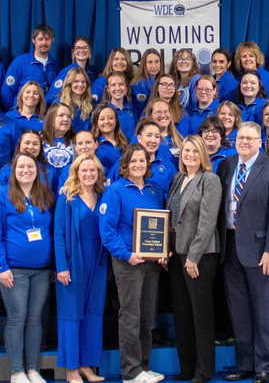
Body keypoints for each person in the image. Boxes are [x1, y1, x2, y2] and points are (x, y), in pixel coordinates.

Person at [217, 122, 269, 383]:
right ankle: (245, 364)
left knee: (263, 312)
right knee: (239, 312)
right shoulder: (226, 165)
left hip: (261, 253)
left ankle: (263, 367)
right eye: (240, 138)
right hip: (231, 249)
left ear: (260, 142)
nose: (244, 142)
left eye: (250, 138)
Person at [99, 144, 168, 383]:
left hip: (151, 263)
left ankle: (144, 366)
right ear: (125, 164)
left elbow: (163, 226)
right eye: (134, 161)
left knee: (148, 316)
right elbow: (107, 230)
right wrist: (126, 254)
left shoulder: (154, 190)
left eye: (142, 161)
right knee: (130, 316)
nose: (138, 165)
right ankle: (130, 371)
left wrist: (162, 251)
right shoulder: (116, 190)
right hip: (128, 262)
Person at [0, 152, 55, 383]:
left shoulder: (44, 195)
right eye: (21, 167)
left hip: (42, 270)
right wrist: (1, 267)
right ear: (13, 171)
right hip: (14, 270)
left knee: (35, 319)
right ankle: (17, 371)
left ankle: (33, 369)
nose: (26, 170)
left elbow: (52, 232)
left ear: (37, 170)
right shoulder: (0, 197)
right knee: (17, 318)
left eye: (30, 166)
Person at [168, 135, 223, 383]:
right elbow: (171, 218)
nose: (189, 155)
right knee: (182, 313)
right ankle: (187, 368)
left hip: (200, 257)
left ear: (202, 155)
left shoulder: (210, 180)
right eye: (185, 150)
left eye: (194, 151)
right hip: (177, 255)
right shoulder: (178, 179)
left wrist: (193, 256)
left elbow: (207, 222)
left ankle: (204, 370)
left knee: (201, 315)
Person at [55, 154, 108, 383]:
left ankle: (87, 365)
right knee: (71, 316)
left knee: (93, 314)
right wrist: (62, 266)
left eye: (92, 171)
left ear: (98, 174)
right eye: (84, 170)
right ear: (76, 172)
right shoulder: (67, 198)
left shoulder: (104, 196)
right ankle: (71, 369)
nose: (88, 174)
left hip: (97, 264)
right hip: (73, 264)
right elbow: (58, 234)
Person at [2, 24, 58, 109]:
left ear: (52, 40)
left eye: (47, 39)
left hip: (45, 115)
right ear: (33, 40)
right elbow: (7, 91)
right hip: (21, 114)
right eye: (40, 39)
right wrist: (15, 112)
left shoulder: (54, 65)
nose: (44, 43)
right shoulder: (20, 62)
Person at [48, 37, 95, 104]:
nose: (81, 50)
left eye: (85, 47)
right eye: (78, 48)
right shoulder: (67, 71)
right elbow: (51, 97)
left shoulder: (91, 73)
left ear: (90, 51)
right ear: (73, 52)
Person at [133, 120, 176, 192]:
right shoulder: (127, 162)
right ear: (139, 138)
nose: (153, 140)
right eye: (149, 135)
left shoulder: (168, 165)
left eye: (157, 136)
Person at [42, 102, 77, 180]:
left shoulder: (77, 141)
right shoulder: (39, 138)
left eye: (69, 116)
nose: (66, 119)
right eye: (61, 115)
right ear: (51, 118)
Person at [92, 105, 130, 173]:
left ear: (116, 121)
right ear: (96, 122)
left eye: (110, 118)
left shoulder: (125, 142)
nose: (106, 121)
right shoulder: (93, 143)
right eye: (102, 119)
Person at [58, 67, 96, 133]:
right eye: (76, 81)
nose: (80, 85)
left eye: (83, 82)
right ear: (69, 83)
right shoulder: (59, 103)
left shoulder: (92, 103)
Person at [101, 72, 138, 138]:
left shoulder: (133, 109)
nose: (117, 88)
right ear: (108, 89)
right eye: (113, 85)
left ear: (126, 88)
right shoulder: (103, 111)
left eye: (121, 84)